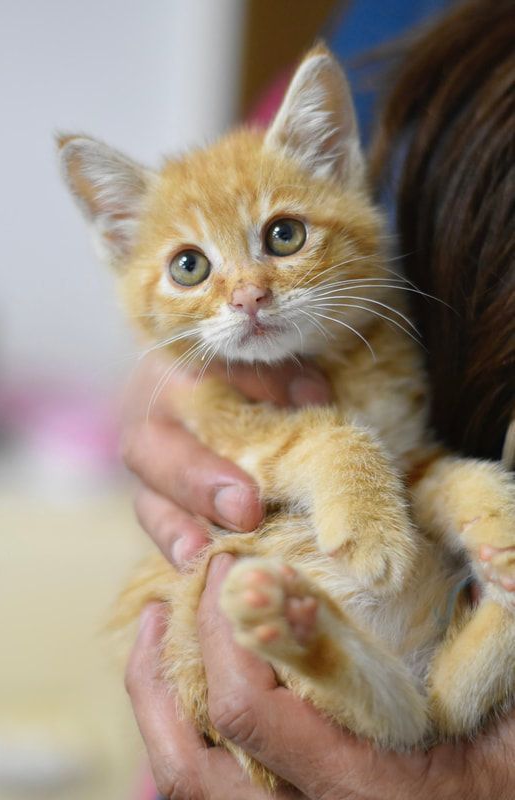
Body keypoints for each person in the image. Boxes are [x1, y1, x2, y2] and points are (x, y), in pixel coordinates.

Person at [121, 0, 515, 796]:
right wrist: (165, 416)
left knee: (419, 707)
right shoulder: (379, 18)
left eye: (282, 236)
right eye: (194, 267)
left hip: (433, 711)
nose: (247, 292)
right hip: (258, 715)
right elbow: (145, 394)